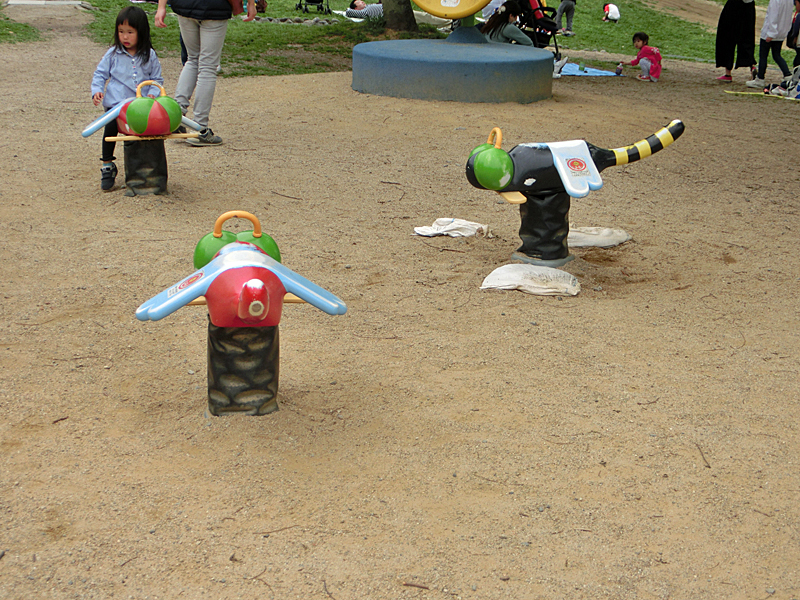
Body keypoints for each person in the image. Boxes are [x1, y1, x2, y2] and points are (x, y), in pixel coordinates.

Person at [155, 0, 256, 146]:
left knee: (192, 59)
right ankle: (200, 128)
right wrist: (251, 3)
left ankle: (176, 117)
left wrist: (161, 6)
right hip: (215, 7)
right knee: (207, 66)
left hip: (185, 6)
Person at [91, 6, 163, 191]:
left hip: (141, 106)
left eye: (130, 32)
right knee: (110, 129)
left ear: (141, 32)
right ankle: (107, 165)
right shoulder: (113, 53)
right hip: (116, 106)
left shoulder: (150, 55)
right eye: (121, 32)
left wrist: (152, 96)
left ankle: (142, 169)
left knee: (145, 132)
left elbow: (157, 79)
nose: (125, 37)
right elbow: (100, 74)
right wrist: (97, 90)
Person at [482, 1, 569, 78]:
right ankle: (550, 69)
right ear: (511, 15)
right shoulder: (508, 27)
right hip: (500, 58)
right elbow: (529, 43)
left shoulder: (491, 23)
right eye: (516, 16)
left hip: (488, 56)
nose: (516, 20)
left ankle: (552, 67)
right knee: (530, 50)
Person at [746, 0, 793, 88]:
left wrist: (771, 33)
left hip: (770, 33)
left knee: (763, 56)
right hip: (781, 32)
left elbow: (773, 16)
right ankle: (787, 75)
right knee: (776, 55)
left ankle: (760, 79)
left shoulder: (775, 1)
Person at [715, 0, 756, 82]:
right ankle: (752, 66)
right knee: (747, 37)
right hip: (749, 6)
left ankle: (728, 73)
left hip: (734, 5)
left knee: (727, 37)